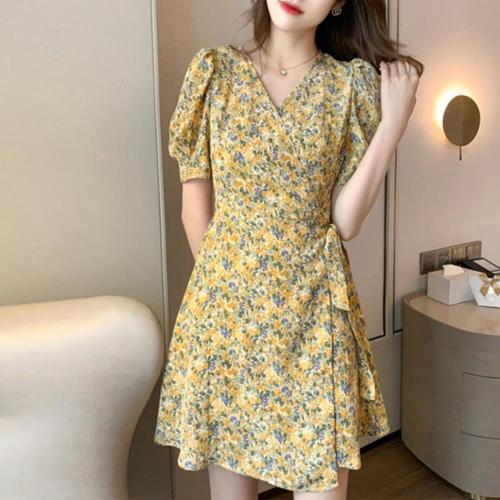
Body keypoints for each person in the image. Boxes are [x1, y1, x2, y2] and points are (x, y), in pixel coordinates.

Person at [155, 0, 423, 498]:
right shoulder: (214, 73)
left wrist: (392, 127)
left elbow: (346, 221)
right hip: (229, 321)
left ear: (340, 3)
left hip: (314, 320)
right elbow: (195, 213)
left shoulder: (349, 87)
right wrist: (241, 302)